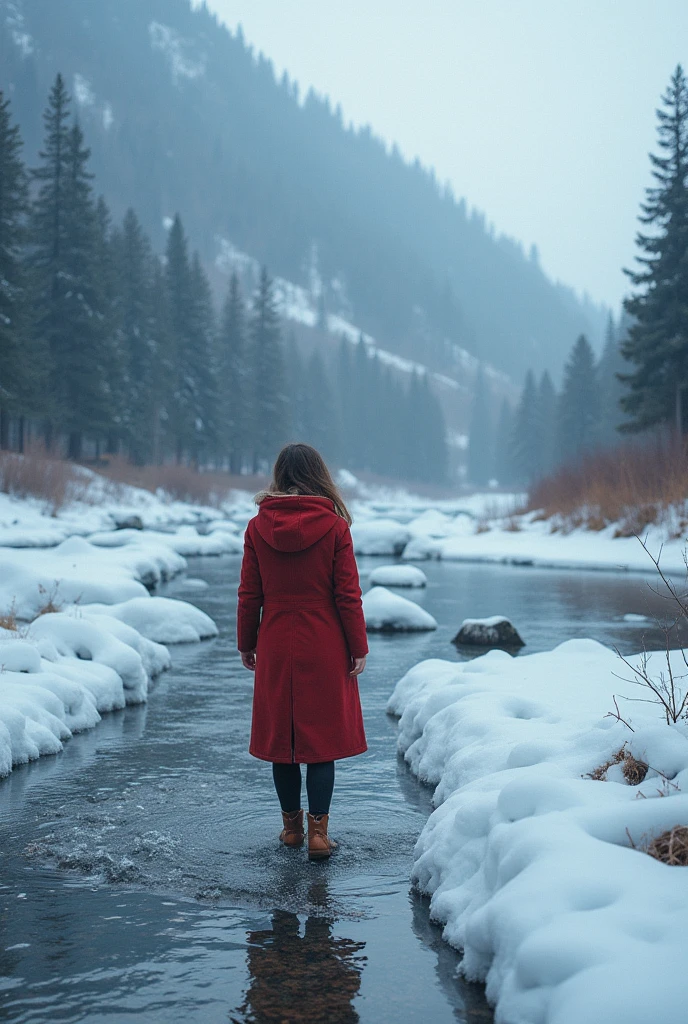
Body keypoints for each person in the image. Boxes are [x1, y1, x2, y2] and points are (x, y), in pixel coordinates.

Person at [237, 443, 368, 860]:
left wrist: (246, 642)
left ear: (279, 475)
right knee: (321, 743)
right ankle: (318, 835)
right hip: (325, 640)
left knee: (284, 741)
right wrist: (358, 646)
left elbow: (248, 595)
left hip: (275, 639)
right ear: (319, 475)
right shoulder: (334, 527)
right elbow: (348, 594)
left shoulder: (258, 527)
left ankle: (291, 830)